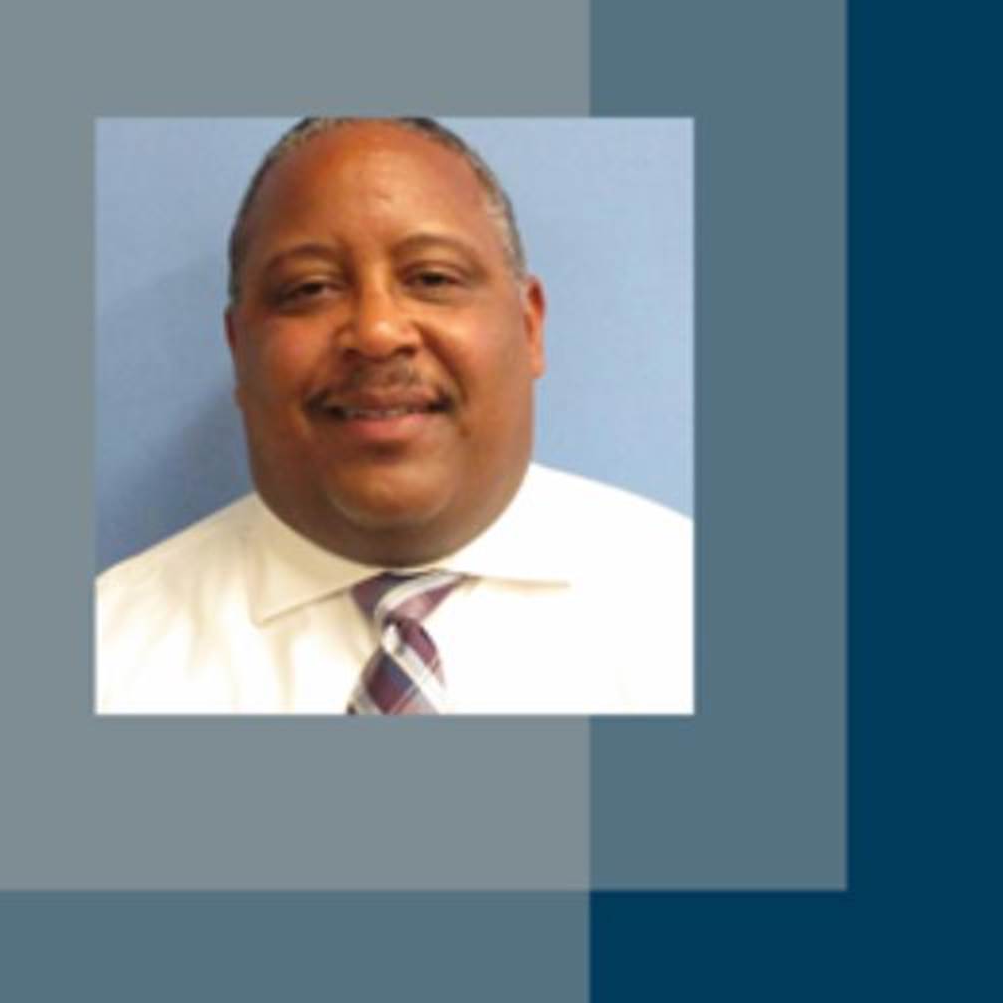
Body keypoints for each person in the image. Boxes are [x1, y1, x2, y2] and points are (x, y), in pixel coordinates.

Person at [97, 118, 692, 715]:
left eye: (433, 278)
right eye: (309, 288)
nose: (377, 332)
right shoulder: (106, 659)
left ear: (529, 327)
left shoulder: (685, 610)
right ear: (238, 347)